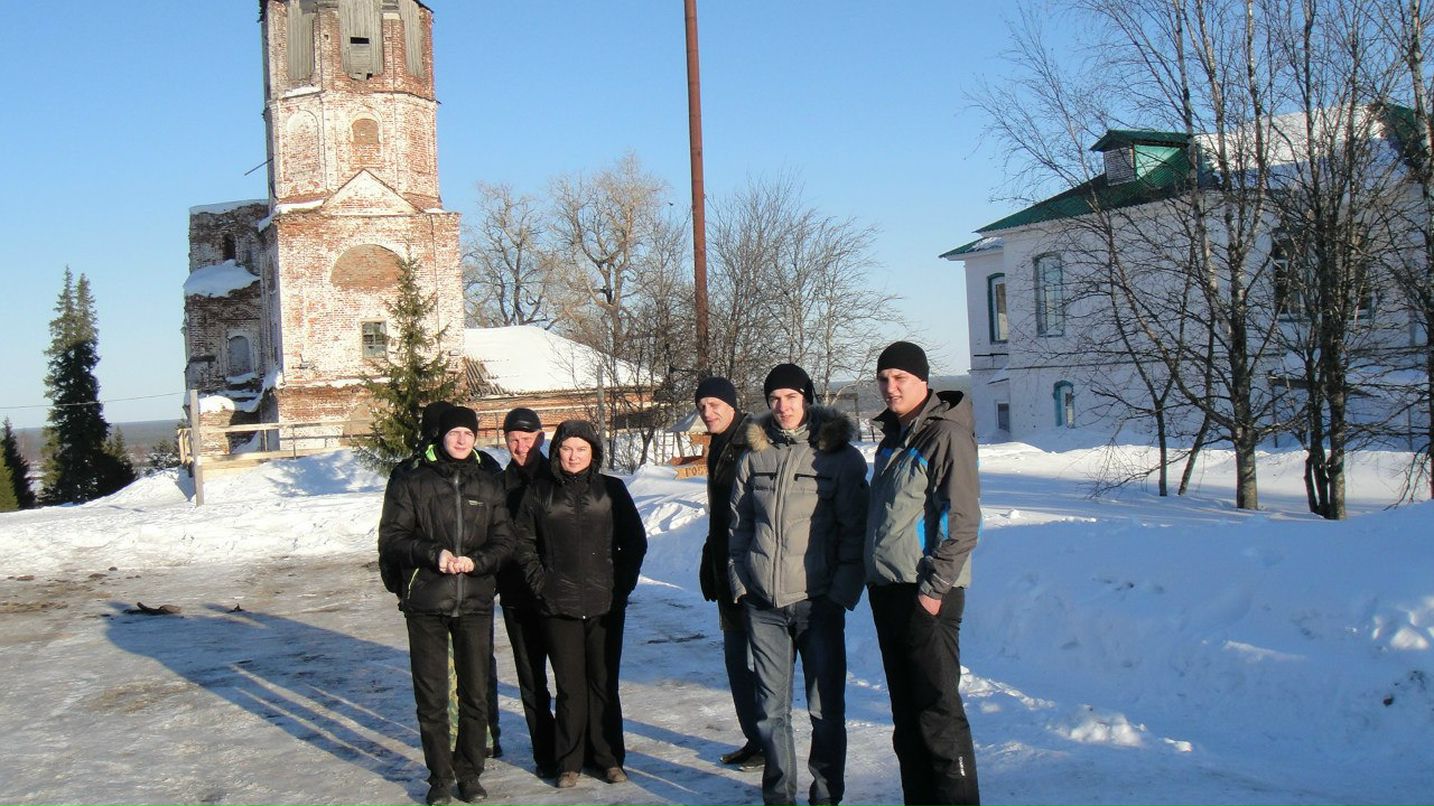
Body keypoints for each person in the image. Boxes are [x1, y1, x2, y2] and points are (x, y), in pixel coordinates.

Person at [729, 364, 868, 806]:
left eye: (790, 397)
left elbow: (855, 532)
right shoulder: (754, 455)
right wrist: (741, 582)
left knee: (825, 711)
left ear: (806, 398)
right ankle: (779, 797)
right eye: (774, 398)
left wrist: (839, 594)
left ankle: (826, 796)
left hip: (817, 603)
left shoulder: (839, 458)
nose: (782, 406)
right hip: (763, 605)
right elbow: (738, 526)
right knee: (771, 712)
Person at [378, 405, 514, 805]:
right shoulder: (412, 481)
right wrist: (432, 554)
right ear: (442, 436)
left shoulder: (488, 483)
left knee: (475, 693)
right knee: (432, 696)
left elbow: (504, 540)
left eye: (468, 434)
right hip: (426, 602)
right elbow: (392, 538)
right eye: (455, 433)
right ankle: (439, 778)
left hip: (474, 601)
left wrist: (479, 562)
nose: (461, 439)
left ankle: (469, 773)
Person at [865, 341, 981, 806]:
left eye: (900, 378)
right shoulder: (894, 438)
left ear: (923, 382)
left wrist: (933, 591)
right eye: (884, 378)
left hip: (926, 593)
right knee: (907, 719)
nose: (890, 387)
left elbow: (961, 521)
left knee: (938, 717)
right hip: (890, 591)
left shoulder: (945, 435)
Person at [512, 419, 647, 789]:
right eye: (567, 449)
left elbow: (634, 542)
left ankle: (608, 758)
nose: (574, 456)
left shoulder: (612, 490)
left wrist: (620, 588)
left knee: (603, 683)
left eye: (582, 449)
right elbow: (523, 544)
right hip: (558, 605)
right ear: (557, 451)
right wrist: (542, 585)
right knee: (570, 686)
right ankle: (569, 761)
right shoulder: (539, 491)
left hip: (606, 605)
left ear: (594, 452)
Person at [693, 376, 764, 771]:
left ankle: (769, 743)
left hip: (750, 570)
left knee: (755, 663)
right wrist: (710, 554)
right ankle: (755, 739)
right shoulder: (719, 444)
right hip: (725, 564)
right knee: (736, 662)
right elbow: (721, 513)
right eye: (702, 406)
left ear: (732, 405)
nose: (708, 412)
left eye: (715, 405)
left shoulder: (752, 442)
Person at [493, 407, 558, 778]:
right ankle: (545, 753)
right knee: (532, 680)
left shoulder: (558, 476)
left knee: (570, 677)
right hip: (517, 595)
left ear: (541, 438)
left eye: (527, 438)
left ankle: (574, 748)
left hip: (559, 593)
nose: (520, 446)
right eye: (513, 439)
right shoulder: (497, 486)